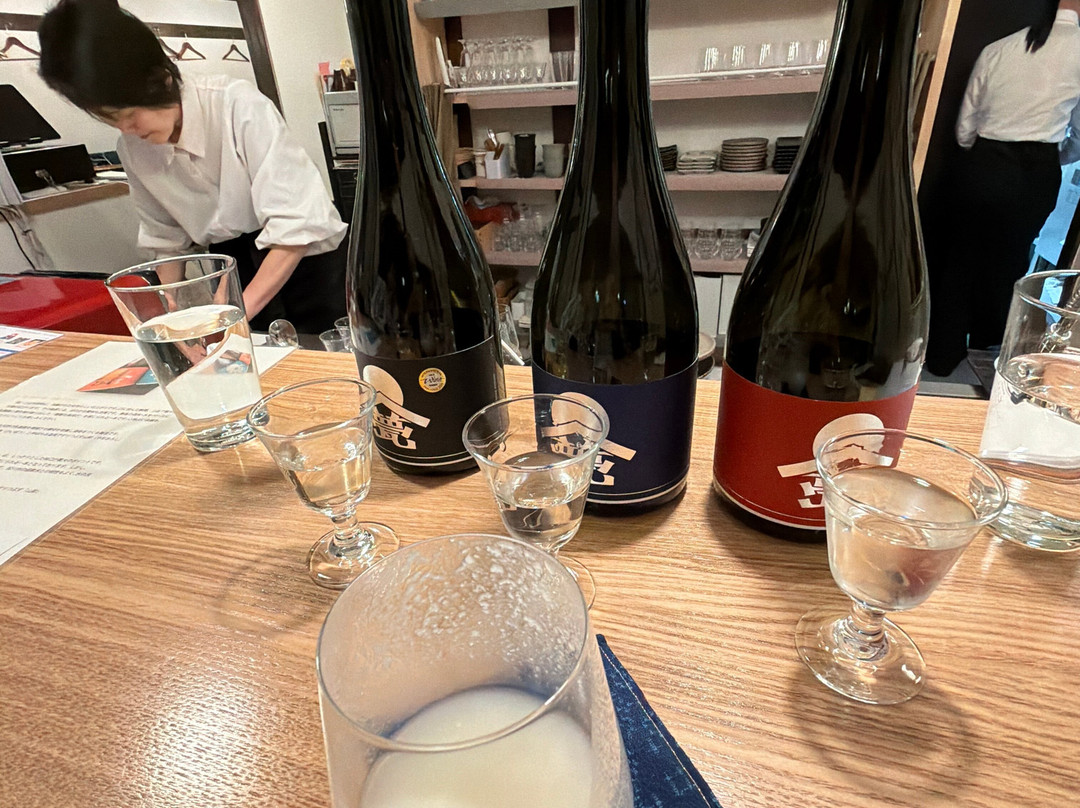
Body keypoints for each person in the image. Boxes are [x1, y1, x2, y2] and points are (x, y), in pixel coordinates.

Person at [37, 0, 348, 335]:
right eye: (112, 120)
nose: (127, 129)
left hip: (306, 261)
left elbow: (296, 226)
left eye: (130, 115)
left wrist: (233, 313)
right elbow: (167, 240)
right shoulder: (132, 148)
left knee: (326, 348)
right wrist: (171, 311)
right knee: (246, 355)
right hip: (232, 263)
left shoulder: (236, 105)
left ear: (161, 80)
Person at [926, 0, 1080, 376]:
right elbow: (1078, 137)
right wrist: (1054, 155)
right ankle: (990, 350)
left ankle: (941, 357)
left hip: (981, 163)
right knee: (1009, 260)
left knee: (959, 259)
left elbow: (965, 129)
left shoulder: (998, 48)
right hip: (1034, 171)